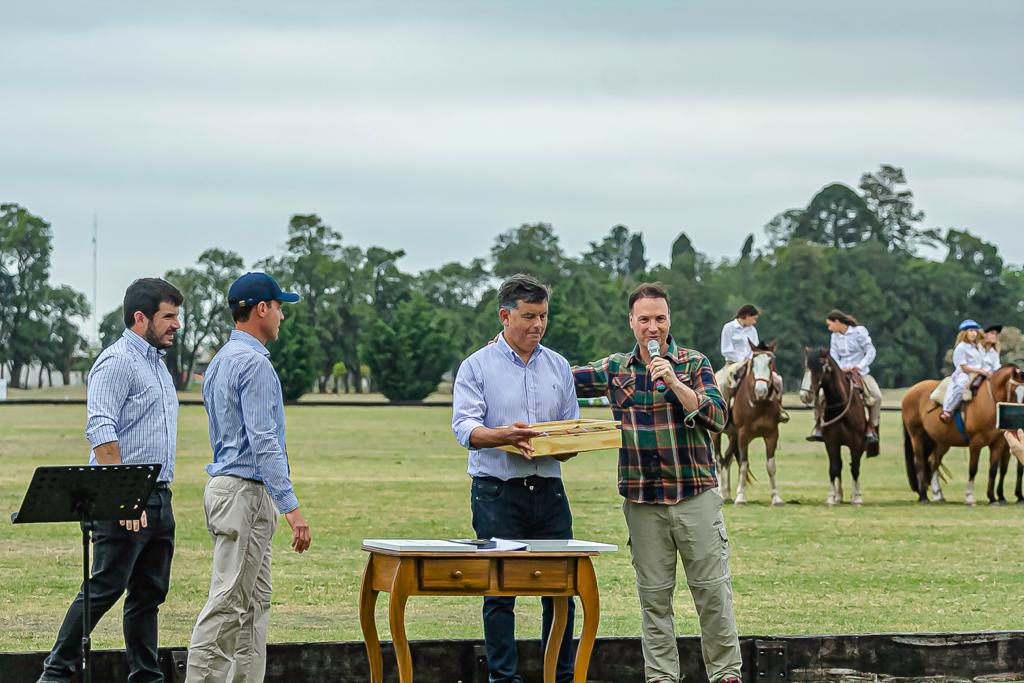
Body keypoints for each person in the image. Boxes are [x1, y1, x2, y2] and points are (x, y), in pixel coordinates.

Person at [573, 283, 742, 683]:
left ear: (670, 321)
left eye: (660, 319)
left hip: (694, 495)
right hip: (643, 500)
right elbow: (560, 378)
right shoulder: (615, 368)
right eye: (644, 319)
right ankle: (662, 677)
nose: (653, 328)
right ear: (631, 322)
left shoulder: (693, 363)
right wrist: (511, 351)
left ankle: (726, 674)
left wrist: (675, 382)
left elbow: (718, 418)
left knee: (712, 591)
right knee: (654, 598)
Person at [37, 278, 182, 683]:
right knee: (104, 588)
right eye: (168, 316)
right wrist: (126, 497)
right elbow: (101, 428)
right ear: (141, 318)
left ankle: (146, 677)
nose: (176, 325)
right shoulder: (117, 361)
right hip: (127, 495)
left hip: (159, 496)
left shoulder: (156, 363)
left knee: (148, 595)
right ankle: (55, 673)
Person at [451, 273, 580, 683]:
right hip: (497, 492)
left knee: (561, 590)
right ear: (505, 316)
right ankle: (503, 679)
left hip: (549, 490)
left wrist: (566, 443)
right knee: (499, 591)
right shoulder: (476, 366)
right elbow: (465, 429)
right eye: (528, 316)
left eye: (543, 316)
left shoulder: (559, 366)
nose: (537, 325)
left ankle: (558, 676)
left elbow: (569, 431)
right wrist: (504, 437)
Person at [185, 272, 312, 683]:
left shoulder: (220, 361)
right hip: (245, 493)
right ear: (261, 309)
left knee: (254, 605)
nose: (281, 317)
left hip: (229, 488)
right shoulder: (255, 365)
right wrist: (292, 509)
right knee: (228, 606)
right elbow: (263, 441)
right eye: (278, 308)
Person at [807, 309, 882, 445]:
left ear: (837, 322)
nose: (829, 329)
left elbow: (870, 351)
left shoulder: (859, 332)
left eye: (830, 325)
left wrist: (859, 366)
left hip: (860, 372)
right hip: (840, 373)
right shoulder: (834, 337)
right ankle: (819, 425)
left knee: (876, 396)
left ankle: (871, 427)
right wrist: (839, 369)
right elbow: (834, 356)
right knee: (821, 395)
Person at [715, 304, 786, 421]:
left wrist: (752, 359)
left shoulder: (752, 330)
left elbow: (756, 348)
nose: (755, 322)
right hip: (733, 363)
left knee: (777, 380)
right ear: (746, 316)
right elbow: (726, 350)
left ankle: (779, 410)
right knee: (722, 383)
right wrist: (742, 360)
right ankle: (722, 413)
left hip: (752, 362)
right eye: (754, 319)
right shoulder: (728, 328)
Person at [940, 319, 988, 423]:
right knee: (962, 385)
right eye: (971, 330)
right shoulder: (961, 347)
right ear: (964, 333)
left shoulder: (979, 346)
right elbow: (964, 367)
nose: (974, 333)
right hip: (964, 373)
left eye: (975, 331)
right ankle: (948, 410)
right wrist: (980, 371)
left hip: (979, 372)